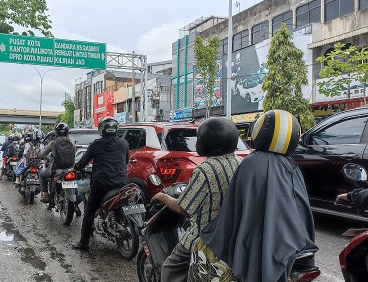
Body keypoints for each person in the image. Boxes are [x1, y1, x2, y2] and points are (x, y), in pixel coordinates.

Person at [188, 110, 318, 282]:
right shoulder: (291, 166)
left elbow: (235, 213)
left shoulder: (252, 162)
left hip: (259, 248)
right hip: (297, 247)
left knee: (199, 251)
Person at [150, 117, 242, 282]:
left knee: (169, 269)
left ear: (208, 143)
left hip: (204, 236)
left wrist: (161, 196)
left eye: (200, 138)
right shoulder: (239, 161)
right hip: (233, 232)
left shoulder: (205, 169)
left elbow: (182, 208)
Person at [72, 117, 129, 251]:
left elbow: (83, 162)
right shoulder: (124, 143)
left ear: (101, 129)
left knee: (90, 211)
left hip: (101, 185)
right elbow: (126, 161)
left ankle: (83, 243)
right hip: (121, 183)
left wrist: (76, 167)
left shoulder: (96, 144)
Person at [38, 123, 76, 203]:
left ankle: (45, 195)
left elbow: (43, 154)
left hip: (55, 170)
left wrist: (39, 154)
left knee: (41, 174)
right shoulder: (71, 142)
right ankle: (76, 205)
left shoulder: (53, 143)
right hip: (70, 169)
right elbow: (74, 154)